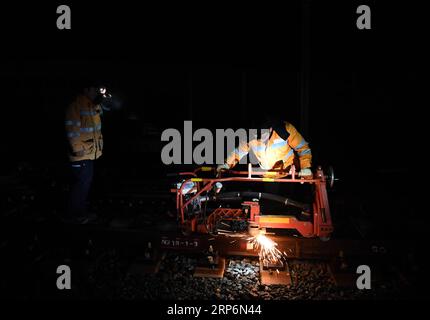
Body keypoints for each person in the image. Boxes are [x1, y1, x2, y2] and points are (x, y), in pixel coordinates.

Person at [63, 85, 113, 224]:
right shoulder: (76, 106)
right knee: (81, 185)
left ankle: (80, 212)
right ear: (85, 90)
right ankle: (74, 215)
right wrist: (78, 149)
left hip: (90, 153)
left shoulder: (93, 105)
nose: (96, 91)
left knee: (85, 184)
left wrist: (105, 96)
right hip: (81, 154)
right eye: (93, 89)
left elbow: (109, 108)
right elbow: (71, 128)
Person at [217, 117, 313, 178]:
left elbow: (303, 148)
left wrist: (306, 167)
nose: (261, 138)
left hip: (288, 172)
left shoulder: (285, 129)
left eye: (263, 134)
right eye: (257, 134)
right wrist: (227, 164)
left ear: (271, 129)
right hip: (266, 174)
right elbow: (239, 151)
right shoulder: (250, 135)